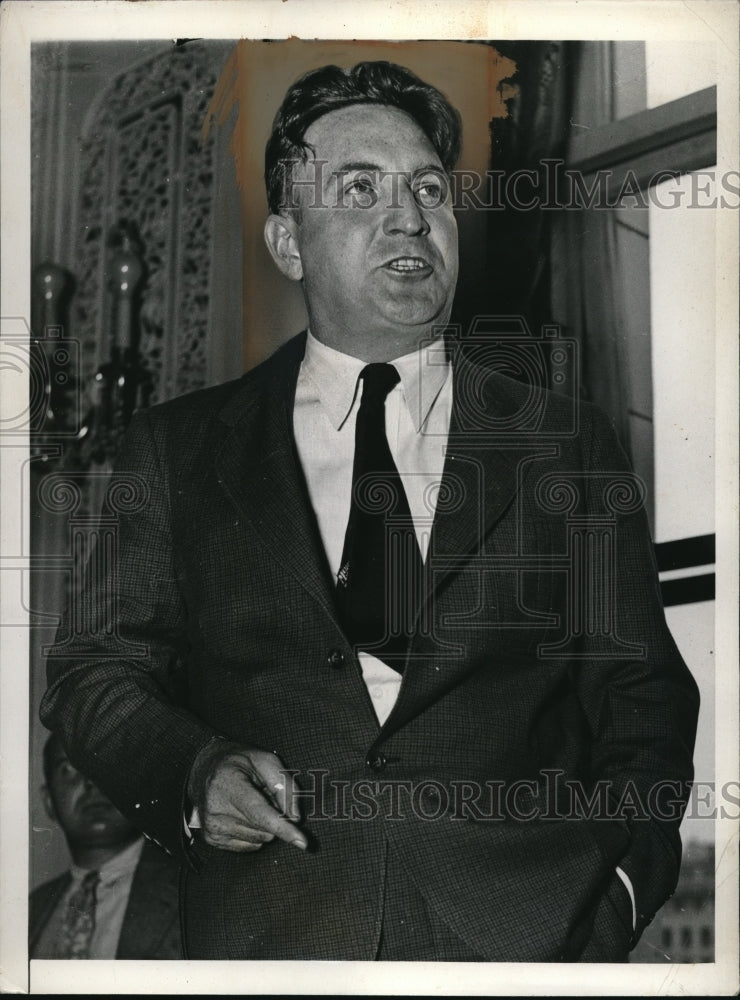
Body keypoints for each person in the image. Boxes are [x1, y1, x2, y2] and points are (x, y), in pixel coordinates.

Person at [41, 60, 699, 962]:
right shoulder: (178, 449)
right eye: (361, 188)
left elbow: (643, 695)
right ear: (288, 242)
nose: (409, 217)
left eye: (430, 188)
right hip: (270, 943)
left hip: (532, 943)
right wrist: (191, 772)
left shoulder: (565, 445)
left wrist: (624, 883)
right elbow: (93, 674)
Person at [29, 733, 182, 959]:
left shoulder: (190, 893)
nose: (92, 781)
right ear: (49, 802)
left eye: (109, 763)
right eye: (68, 769)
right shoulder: (30, 909)